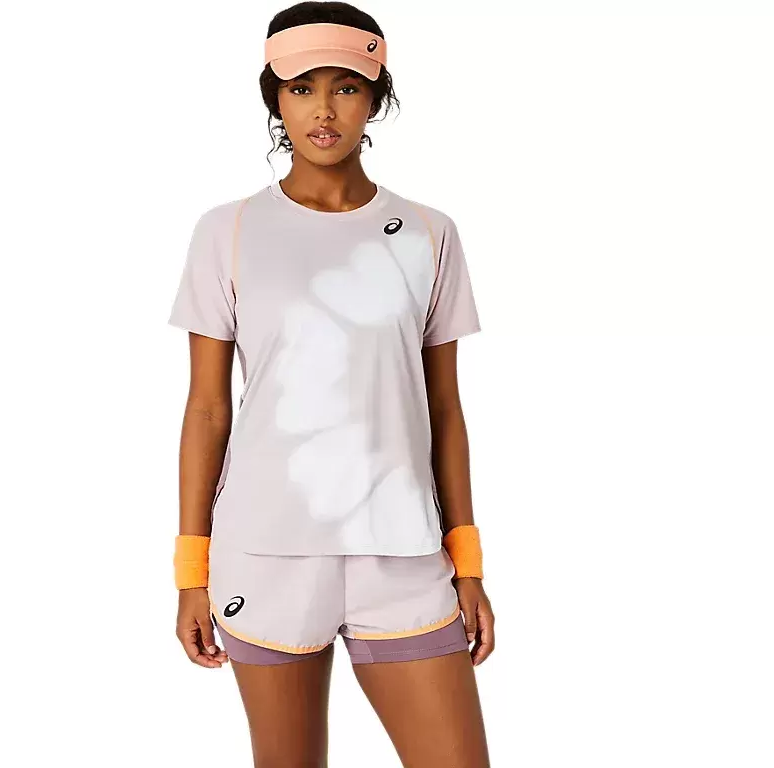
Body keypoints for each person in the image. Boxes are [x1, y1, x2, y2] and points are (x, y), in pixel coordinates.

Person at [169, 3, 494, 766]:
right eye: (301, 88)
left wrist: (469, 561)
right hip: (266, 553)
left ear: (376, 98)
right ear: (275, 100)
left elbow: (444, 410)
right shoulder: (227, 231)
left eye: (346, 87)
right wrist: (191, 572)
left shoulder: (430, 232)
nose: (323, 109)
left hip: (405, 555)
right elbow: (208, 410)